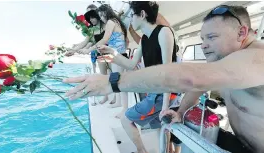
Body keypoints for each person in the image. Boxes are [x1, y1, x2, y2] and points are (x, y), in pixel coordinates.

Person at [63, 5, 264, 153]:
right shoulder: (226, 59)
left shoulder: (261, 57)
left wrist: (112, 83)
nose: (204, 45)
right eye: (203, 39)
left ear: (242, 32)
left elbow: (190, 77)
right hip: (241, 144)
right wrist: (180, 111)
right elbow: (199, 85)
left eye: (212, 37)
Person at [66, 2, 179, 153]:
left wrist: (165, 107)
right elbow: (131, 64)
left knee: (126, 119)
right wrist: (112, 53)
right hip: (155, 93)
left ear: (143, 15)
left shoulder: (164, 32)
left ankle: (142, 151)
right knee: (159, 128)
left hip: (165, 94)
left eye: (132, 15)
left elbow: (168, 71)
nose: (130, 19)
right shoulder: (144, 40)